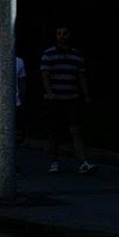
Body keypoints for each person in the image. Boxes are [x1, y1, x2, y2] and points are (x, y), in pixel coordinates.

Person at [40, 25, 97, 174]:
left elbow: (81, 76)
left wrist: (85, 94)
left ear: (69, 35)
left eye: (64, 33)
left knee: (75, 130)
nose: (61, 36)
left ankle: (83, 162)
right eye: (59, 33)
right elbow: (45, 75)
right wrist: (49, 92)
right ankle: (54, 161)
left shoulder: (76, 56)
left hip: (71, 97)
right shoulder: (49, 54)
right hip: (56, 98)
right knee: (55, 131)